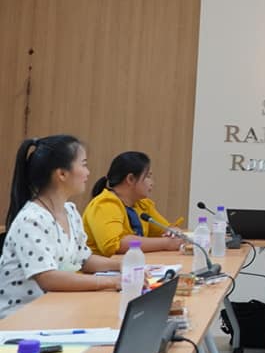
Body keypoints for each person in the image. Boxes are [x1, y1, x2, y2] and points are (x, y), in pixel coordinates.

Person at [0, 136, 122, 318]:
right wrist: (111, 282)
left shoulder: (70, 211)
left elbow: (84, 259)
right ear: (62, 174)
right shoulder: (31, 219)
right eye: (83, 164)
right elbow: (48, 278)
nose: (88, 172)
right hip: (21, 318)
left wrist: (123, 266)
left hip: (57, 308)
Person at [82, 151, 183, 257]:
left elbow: (164, 229)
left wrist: (173, 232)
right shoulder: (104, 204)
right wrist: (165, 243)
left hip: (133, 264)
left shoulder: (142, 205)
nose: (152, 183)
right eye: (148, 176)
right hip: (104, 266)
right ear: (130, 179)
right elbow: (114, 245)